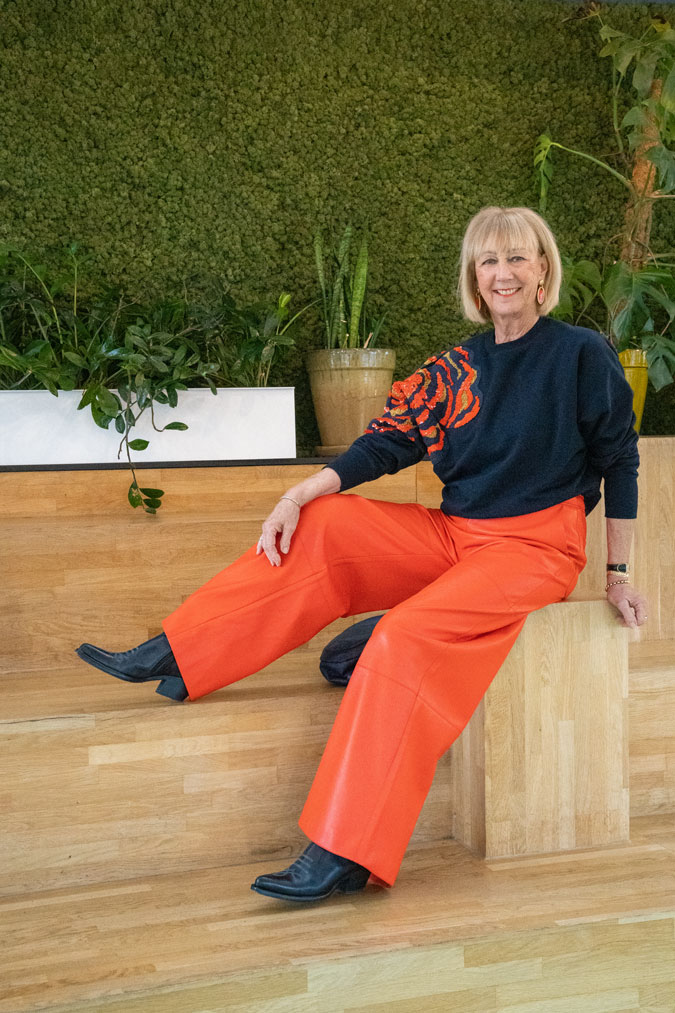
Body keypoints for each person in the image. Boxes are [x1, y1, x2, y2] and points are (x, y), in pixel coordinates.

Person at [76, 206, 649, 904]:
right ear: (474, 276)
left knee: (405, 638)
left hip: (533, 546)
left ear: (541, 272)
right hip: (455, 534)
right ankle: (179, 650)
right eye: (488, 260)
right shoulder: (456, 367)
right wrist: (299, 492)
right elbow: (384, 442)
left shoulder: (580, 354)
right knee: (328, 523)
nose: (503, 272)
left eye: (517, 258)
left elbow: (619, 460)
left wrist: (617, 574)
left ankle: (344, 848)